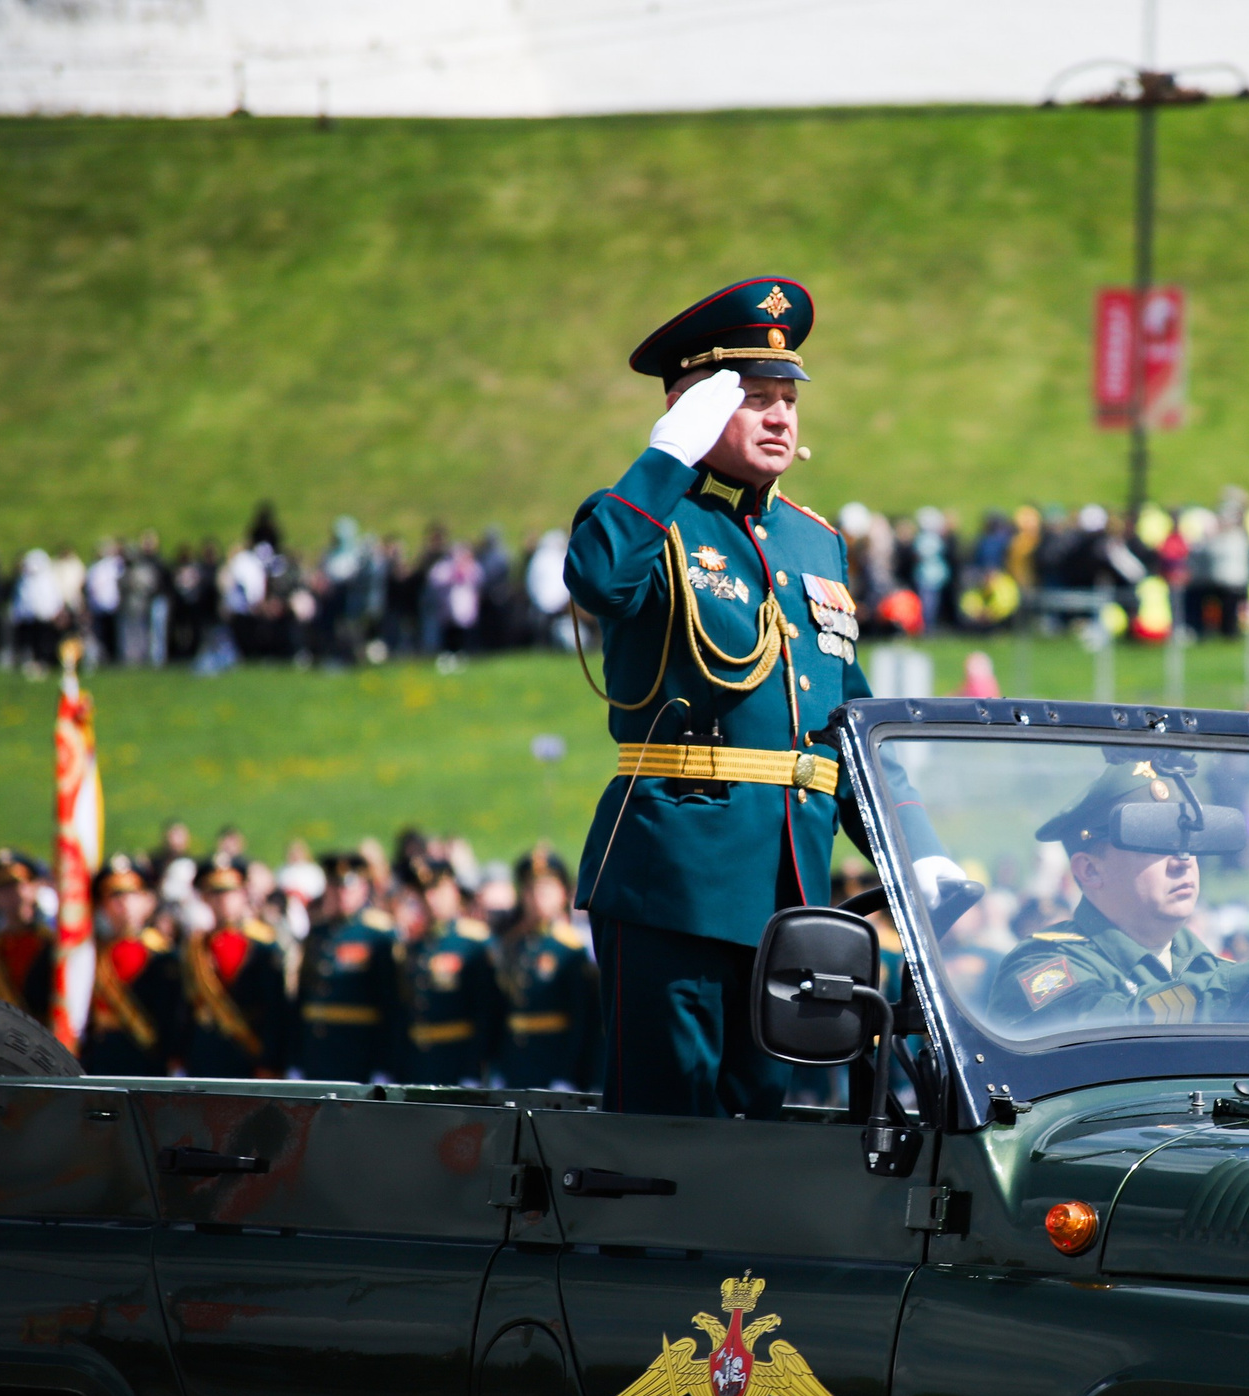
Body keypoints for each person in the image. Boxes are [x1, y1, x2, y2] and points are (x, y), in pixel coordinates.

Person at [560, 277, 958, 1118]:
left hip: (788, 893)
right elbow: (598, 580)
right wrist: (667, 456)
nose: (781, 416)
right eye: (753, 399)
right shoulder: (645, 518)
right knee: (668, 1137)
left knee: (759, 1136)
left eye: (789, 400)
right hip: (677, 883)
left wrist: (913, 844)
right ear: (693, 407)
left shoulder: (816, 543)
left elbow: (844, 722)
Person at [985, 759, 1249, 1034]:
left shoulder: (1217, 973)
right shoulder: (1042, 964)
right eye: (1154, 843)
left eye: (1186, 841)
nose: (1184, 859)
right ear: (1090, 870)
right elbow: (1115, 1026)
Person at [495, 848, 601, 1092]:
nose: (536, 897)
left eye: (545, 889)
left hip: (552, 1066)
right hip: (516, 1066)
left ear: (563, 893)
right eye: (530, 889)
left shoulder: (571, 949)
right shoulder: (515, 945)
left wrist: (568, 1074)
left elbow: (582, 1021)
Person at [291, 851, 402, 1082]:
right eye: (334, 886)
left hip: (358, 1056)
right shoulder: (317, 934)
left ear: (363, 889)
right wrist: (297, 1059)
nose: (341, 893)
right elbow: (303, 999)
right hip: (318, 1055)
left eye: (347, 886)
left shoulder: (378, 935)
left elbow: (390, 1005)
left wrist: (384, 1065)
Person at [399, 857, 506, 1086]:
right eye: (423, 892)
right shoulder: (415, 947)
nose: (429, 899)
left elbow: (487, 1012)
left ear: (454, 891)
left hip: (457, 1062)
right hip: (418, 1065)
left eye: (437, 890)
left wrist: (474, 1067)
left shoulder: (473, 943)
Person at [182, 856, 287, 1078]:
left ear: (243, 894)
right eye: (215, 893)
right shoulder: (197, 946)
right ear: (205, 898)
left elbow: (275, 1010)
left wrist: (270, 1062)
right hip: (205, 1054)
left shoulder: (262, 945)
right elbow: (185, 1008)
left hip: (249, 1052)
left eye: (231, 892)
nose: (223, 900)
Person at [81, 856, 186, 1076]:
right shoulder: (91, 954)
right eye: (114, 895)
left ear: (148, 900)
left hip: (148, 1058)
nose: (124, 903)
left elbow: (174, 1015)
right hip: (102, 1057)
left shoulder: (163, 954)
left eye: (132, 894)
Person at [0, 856, 56, 1020]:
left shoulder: (50, 942)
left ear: (34, 888)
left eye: (20, 884)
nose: (14, 893)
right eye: (3, 888)